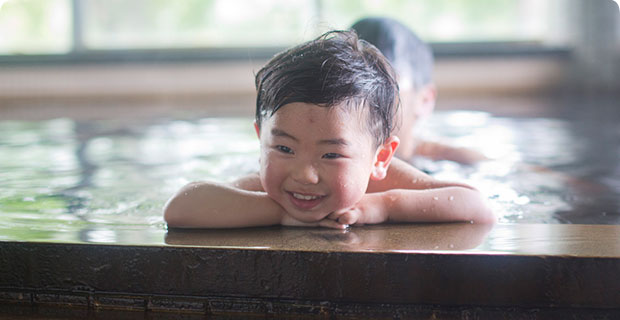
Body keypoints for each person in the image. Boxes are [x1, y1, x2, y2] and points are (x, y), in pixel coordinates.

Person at [164, 30, 494, 229]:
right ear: (260, 139)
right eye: (284, 148)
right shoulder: (269, 186)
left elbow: (478, 207)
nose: (304, 174)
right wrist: (280, 215)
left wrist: (384, 207)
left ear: (379, 158)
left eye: (332, 153)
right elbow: (180, 208)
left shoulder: (388, 181)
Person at [351, 17, 488, 165]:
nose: (360, 100)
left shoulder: (460, 162)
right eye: (350, 86)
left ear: (424, 101)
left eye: (382, 86)